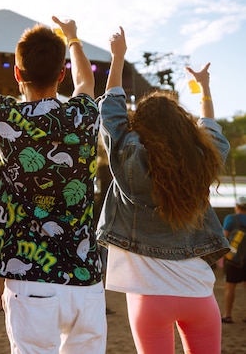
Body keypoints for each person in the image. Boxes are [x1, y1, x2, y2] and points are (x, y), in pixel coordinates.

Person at [0, 0, 106, 353]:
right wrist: (73, 38)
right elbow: (86, 82)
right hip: (85, 282)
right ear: (61, 74)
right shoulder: (82, 116)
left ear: (17, 73)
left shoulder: (7, 116)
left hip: (30, 279)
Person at [97, 28, 230, 353]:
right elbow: (211, 132)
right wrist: (205, 89)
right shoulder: (200, 161)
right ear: (182, 126)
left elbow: (111, 113)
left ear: (139, 123)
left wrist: (117, 57)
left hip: (148, 297)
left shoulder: (128, 152)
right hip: (199, 294)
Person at [221, 196, 246, 324]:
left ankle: (227, 315)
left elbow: (224, 238)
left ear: (237, 206)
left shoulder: (230, 219)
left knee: (230, 288)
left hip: (233, 260)